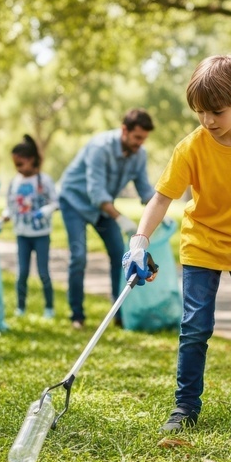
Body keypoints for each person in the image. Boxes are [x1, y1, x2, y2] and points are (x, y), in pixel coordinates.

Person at [123, 55, 231, 435]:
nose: (207, 121)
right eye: (200, 112)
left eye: (216, 111)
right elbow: (161, 198)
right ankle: (185, 406)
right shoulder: (192, 146)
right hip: (202, 243)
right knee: (195, 327)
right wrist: (139, 241)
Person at [58, 108, 155, 329]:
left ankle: (119, 314)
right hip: (74, 201)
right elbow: (96, 193)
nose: (140, 143)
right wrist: (121, 219)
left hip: (103, 208)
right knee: (79, 256)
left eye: (144, 138)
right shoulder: (99, 148)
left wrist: (160, 212)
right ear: (124, 130)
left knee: (120, 255)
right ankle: (77, 316)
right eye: (137, 137)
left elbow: (144, 189)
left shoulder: (139, 154)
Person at [0, 135, 58, 318]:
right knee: (21, 273)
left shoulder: (43, 180)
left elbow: (55, 202)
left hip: (40, 234)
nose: (18, 169)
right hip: (22, 234)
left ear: (31, 160)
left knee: (43, 272)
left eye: (21, 164)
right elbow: (11, 206)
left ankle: (49, 308)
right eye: (16, 165)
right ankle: (20, 307)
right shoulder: (15, 182)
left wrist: (46, 210)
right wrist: (2, 219)